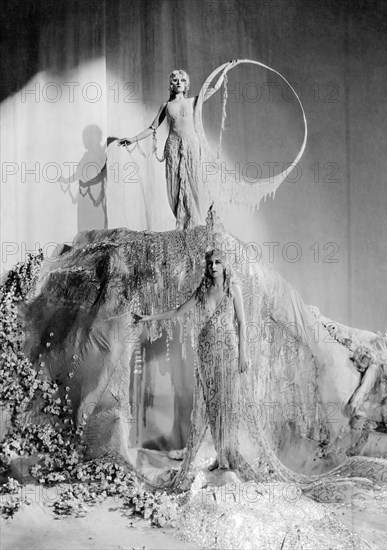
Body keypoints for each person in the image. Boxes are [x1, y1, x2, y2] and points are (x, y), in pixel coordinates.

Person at [134, 248, 249, 470]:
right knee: (212, 405)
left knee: (228, 404)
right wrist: (148, 317)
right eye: (210, 263)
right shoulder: (203, 290)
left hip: (228, 352)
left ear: (225, 265)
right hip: (206, 354)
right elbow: (178, 311)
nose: (213, 266)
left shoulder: (233, 289)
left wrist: (243, 354)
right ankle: (220, 456)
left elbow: (242, 324)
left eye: (217, 262)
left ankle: (228, 456)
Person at [118, 63, 238, 230]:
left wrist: (225, 70)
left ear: (186, 84)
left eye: (182, 80)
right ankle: (183, 222)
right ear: (171, 84)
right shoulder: (166, 106)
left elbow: (214, 88)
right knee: (176, 186)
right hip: (173, 146)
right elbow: (152, 128)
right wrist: (133, 139)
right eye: (175, 80)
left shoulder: (193, 101)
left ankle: (197, 222)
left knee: (193, 183)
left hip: (191, 146)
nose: (179, 82)